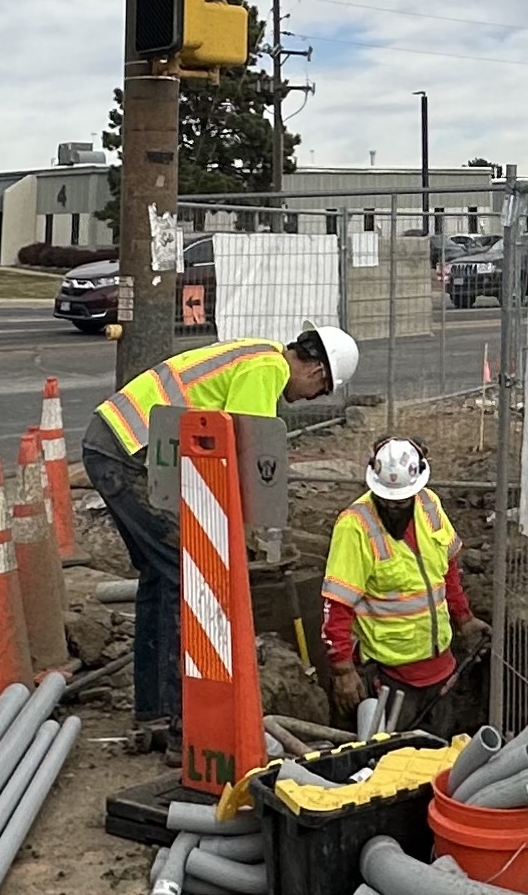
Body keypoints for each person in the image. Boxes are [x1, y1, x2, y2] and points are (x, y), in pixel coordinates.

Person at [83, 320, 359, 747]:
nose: (306, 401)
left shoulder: (256, 353)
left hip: (114, 442)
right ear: (318, 374)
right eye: (318, 393)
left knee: (159, 576)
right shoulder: (268, 369)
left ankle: (154, 712)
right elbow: (244, 452)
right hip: (128, 453)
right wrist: (246, 530)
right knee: (183, 572)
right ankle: (183, 725)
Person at [319, 437, 483, 731]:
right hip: (390, 676)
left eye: (402, 501)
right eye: (386, 501)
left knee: (437, 756)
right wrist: (342, 669)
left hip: (440, 669)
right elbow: (338, 602)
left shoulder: (430, 506)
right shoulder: (355, 525)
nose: (394, 508)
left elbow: (448, 569)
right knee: (390, 762)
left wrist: (465, 619)